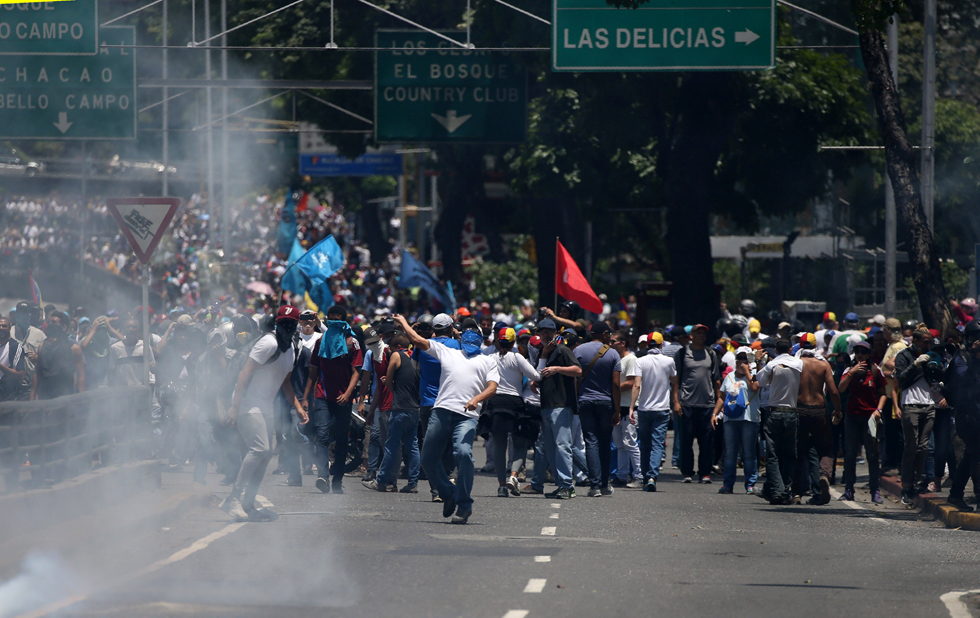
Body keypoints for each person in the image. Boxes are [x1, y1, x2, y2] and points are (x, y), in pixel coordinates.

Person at [394, 313, 499, 524]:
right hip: (441, 411)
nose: (470, 340)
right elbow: (418, 341)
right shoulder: (449, 352)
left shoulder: (488, 361)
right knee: (427, 458)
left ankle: (464, 504)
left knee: (463, 453)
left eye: (474, 336)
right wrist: (404, 323)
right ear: (459, 338)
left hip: (466, 416)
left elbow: (493, 387)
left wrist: (476, 399)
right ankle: (448, 492)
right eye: (466, 336)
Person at [220, 305, 307, 522]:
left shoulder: (291, 350)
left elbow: (286, 382)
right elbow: (244, 373)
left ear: (296, 326)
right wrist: (234, 406)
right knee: (260, 449)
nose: (286, 326)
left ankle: (248, 505)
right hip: (248, 405)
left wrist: (297, 406)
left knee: (267, 454)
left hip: (265, 408)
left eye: (290, 323)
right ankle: (232, 499)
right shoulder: (269, 342)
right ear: (276, 324)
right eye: (282, 323)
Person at [305, 305, 362, 494]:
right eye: (331, 319)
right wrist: (307, 397)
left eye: (338, 319)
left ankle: (337, 480)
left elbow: (356, 372)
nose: (334, 322)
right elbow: (314, 370)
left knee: (341, 440)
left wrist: (347, 394)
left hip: (343, 400)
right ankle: (323, 475)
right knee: (321, 435)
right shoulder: (320, 342)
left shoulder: (352, 343)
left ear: (344, 321)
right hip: (322, 396)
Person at [484, 327, 541, 497]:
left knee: (500, 447)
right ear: (513, 342)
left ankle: (502, 486)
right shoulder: (517, 358)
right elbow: (537, 376)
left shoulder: (490, 358)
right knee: (520, 444)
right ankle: (514, 475)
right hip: (515, 403)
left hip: (495, 402)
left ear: (497, 341)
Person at [364, 333, 421, 493]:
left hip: (399, 408)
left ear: (396, 347)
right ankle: (412, 483)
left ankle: (381, 481)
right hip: (414, 408)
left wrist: (387, 383)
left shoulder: (396, 355)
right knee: (412, 446)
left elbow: (387, 381)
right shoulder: (414, 357)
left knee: (391, 446)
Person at [534, 318, 582, 500]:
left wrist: (557, 369)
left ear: (555, 333)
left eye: (549, 331)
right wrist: (535, 382)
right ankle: (561, 484)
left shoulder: (563, 350)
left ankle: (567, 485)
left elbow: (577, 370)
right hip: (546, 405)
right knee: (551, 448)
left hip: (561, 405)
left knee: (563, 446)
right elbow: (539, 375)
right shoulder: (542, 353)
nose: (546, 334)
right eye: (542, 331)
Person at [414, 313, 461, 502]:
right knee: (450, 443)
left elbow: (415, 370)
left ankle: (436, 491)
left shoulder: (424, 347)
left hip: (427, 402)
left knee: (431, 447)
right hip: (450, 402)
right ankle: (450, 478)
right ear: (450, 328)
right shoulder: (457, 346)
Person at [574, 321, 622, 497]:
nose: (610, 337)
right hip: (606, 403)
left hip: (585, 402)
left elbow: (575, 378)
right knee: (604, 442)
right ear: (603, 335)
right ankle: (604, 484)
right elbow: (616, 384)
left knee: (591, 442)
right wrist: (617, 410)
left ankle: (594, 486)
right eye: (609, 334)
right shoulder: (613, 354)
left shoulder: (578, 351)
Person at [794, 334, 842, 505]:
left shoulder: (796, 363)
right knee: (824, 449)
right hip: (818, 410)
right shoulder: (823, 364)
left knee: (799, 452)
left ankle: (797, 493)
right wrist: (837, 409)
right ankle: (823, 476)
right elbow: (833, 391)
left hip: (799, 409)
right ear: (815, 346)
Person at [837, 340, 886, 503]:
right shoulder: (849, 370)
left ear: (868, 354)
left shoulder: (875, 370)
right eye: (857, 352)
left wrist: (878, 409)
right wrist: (852, 372)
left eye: (863, 352)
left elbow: (883, 393)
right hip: (852, 417)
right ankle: (849, 489)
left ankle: (875, 490)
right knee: (850, 454)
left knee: (873, 455)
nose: (860, 355)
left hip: (869, 418)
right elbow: (840, 388)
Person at [628, 331, 677, 492]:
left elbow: (636, 386)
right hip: (662, 408)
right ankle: (652, 476)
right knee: (657, 444)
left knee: (645, 444)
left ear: (648, 344)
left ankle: (644, 476)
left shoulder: (640, 361)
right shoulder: (669, 361)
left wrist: (631, 407)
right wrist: (675, 400)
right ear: (662, 344)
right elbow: (675, 381)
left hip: (644, 408)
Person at [672, 324, 721, 483]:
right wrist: (676, 401)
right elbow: (676, 380)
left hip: (707, 404)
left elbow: (716, 380)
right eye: (698, 333)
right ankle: (687, 472)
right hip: (687, 403)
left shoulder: (711, 354)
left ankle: (704, 473)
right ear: (691, 336)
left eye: (703, 334)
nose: (701, 336)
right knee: (686, 440)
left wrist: (718, 404)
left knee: (706, 441)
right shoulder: (682, 354)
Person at [755, 339, 803, 505]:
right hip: (791, 413)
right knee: (789, 454)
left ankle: (777, 490)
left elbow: (760, 382)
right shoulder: (798, 364)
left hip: (774, 412)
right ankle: (785, 490)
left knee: (773, 455)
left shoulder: (772, 365)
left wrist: (758, 361)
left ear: (776, 349)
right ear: (790, 349)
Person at [894, 324, 937, 505]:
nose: (928, 346)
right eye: (925, 342)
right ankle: (906, 485)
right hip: (911, 405)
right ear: (916, 341)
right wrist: (916, 364)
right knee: (911, 447)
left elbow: (938, 375)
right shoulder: (904, 356)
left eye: (930, 343)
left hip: (929, 405)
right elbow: (901, 378)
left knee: (924, 447)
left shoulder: (932, 355)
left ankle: (919, 481)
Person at [711, 348, 761, 494]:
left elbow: (754, 387)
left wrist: (747, 371)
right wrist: (714, 413)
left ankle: (750, 484)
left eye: (746, 358)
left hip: (749, 418)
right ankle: (728, 484)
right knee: (730, 453)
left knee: (749, 453)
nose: (742, 362)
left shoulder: (753, 375)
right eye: (740, 358)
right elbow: (721, 396)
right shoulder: (729, 377)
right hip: (731, 419)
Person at [943, 320, 980, 511]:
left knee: (971, 455)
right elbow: (963, 383)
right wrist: (976, 357)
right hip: (967, 416)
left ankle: (956, 494)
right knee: (977, 454)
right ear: (972, 338)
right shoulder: (962, 358)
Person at [611, 331, 641, 488]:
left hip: (629, 406)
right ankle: (621, 476)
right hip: (617, 406)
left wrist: (612, 390)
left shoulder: (631, 359)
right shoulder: (616, 359)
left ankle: (638, 475)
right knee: (619, 444)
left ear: (622, 343)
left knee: (630, 442)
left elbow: (631, 382)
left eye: (613, 341)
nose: (610, 344)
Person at [32, 311, 85, 400]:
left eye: (53, 322)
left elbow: (81, 375)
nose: (50, 325)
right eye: (49, 322)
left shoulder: (74, 348)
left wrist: (81, 398)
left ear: (64, 327)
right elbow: (37, 373)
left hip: (65, 397)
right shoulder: (42, 346)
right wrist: (33, 395)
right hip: (45, 397)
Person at [11, 301, 45, 390]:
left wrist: (37, 358)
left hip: (34, 383)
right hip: (12, 382)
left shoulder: (39, 334)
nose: (23, 316)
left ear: (30, 315)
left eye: (25, 313)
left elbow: (48, 357)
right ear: (16, 315)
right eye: (20, 313)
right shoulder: (9, 332)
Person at [0, 317, 27, 401]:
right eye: (0, 326)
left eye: (4, 326)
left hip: (6, 394)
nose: (1, 328)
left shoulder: (15, 346)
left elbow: (20, 374)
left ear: (10, 328)